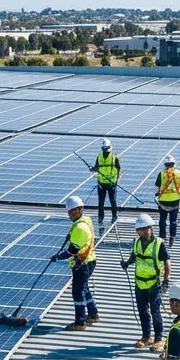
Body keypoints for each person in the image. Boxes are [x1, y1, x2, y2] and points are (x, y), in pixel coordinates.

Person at [120, 214, 171, 350]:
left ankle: (159, 338)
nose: (141, 232)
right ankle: (146, 336)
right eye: (139, 230)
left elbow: (167, 263)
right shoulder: (136, 242)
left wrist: (166, 280)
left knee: (155, 312)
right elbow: (134, 256)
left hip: (154, 284)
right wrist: (127, 263)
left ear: (150, 228)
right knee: (142, 311)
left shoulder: (158, 244)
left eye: (144, 229)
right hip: (139, 283)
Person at [51, 195, 99, 331]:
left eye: (74, 211)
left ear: (80, 209)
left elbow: (71, 251)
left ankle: (80, 323)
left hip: (82, 264)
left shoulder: (80, 228)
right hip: (88, 261)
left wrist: (58, 257)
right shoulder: (85, 221)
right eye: (70, 211)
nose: (71, 214)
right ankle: (93, 314)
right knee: (84, 288)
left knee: (77, 293)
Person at [155, 154, 180, 246]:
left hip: (163, 201)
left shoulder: (161, 174)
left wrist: (157, 195)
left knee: (162, 219)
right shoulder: (179, 173)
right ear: (174, 164)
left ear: (165, 165)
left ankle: (162, 236)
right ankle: (172, 236)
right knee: (173, 220)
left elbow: (157, 188)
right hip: (175, 201)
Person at [91, 138, 121, 228]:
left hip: (111, 183)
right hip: (101, 183)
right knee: (101, 202)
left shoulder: (114, 158)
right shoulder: (99, 157)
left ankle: (114, 216)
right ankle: (101, 218)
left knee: (112, 201)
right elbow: (97, 167)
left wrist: (116, 180)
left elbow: (118, 169)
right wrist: (93, 169)